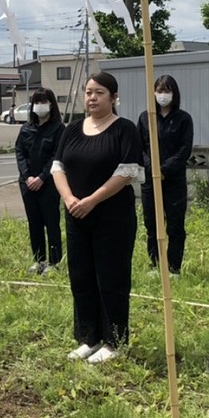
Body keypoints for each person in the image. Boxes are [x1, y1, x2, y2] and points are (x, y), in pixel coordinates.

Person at [51, 72, 142, 365]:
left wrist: (92, 200)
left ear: (113, 98)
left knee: (111, 277)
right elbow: (57, 167)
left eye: (99, 92)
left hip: (112, 217)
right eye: (88, 92)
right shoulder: (73, 130)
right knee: (81, 276)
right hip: (77, 215)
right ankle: (87, 337)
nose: (92, 97)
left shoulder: (124, 129)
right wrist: (69, 199)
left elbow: (127, 171)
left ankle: (114, 340)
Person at [137, 75, 194, 275]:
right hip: (149, 181)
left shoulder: (183, 119)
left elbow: (184, 149)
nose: (163, 95)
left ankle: (173, 267)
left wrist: (164, 170)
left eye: (166, 91)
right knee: (152, 225)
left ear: (174, 93)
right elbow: (140, 148)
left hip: (174, 181)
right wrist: (152, 169)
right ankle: (155, 264)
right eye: (159, 91)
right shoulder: (146, 117)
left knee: (175, 226)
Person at [15, 87, 65, 274]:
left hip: (49, 183)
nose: (40, 106)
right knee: (34, 222)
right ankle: (39, 260)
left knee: (51, 222)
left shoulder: (58, 129)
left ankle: (54, 262)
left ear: (51, 104)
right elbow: (20, 152)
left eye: (43, 102)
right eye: (36, 102)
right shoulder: (26, 128)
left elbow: (57, 155)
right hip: (27, 184)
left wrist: (42, 177)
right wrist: (27, 176)